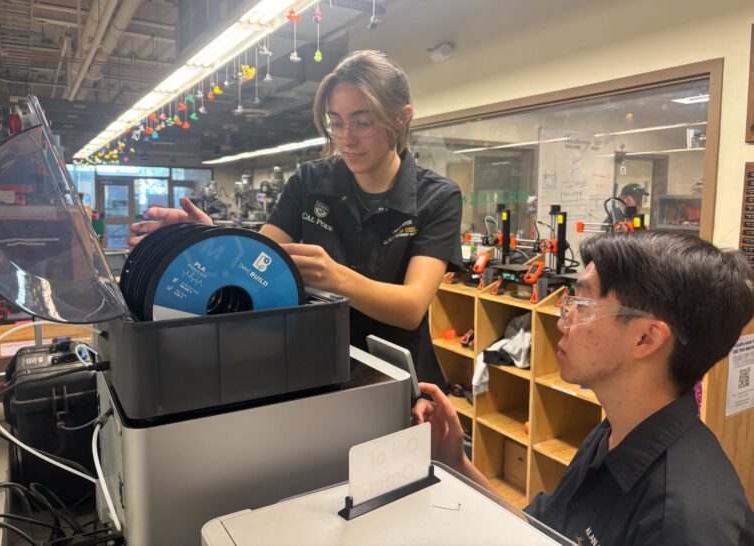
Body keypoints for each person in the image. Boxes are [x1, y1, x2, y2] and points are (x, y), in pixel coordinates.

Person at [127, 50, 463, 386]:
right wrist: (210, 239)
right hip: (317, 364)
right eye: (336, 122)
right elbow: (260, 258)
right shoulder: (310, 181)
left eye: (363, 122)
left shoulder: (438, 196)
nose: (346, 138)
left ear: (402, 118)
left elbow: (411, 307)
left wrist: (335, 276)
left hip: (398, 377)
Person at [413, 230, 754, 545]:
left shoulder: (681, 520)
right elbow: (543, 534)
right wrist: (455, 462)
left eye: (583, 305)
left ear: (646, 338)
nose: (563, 320)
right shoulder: (614, 433)